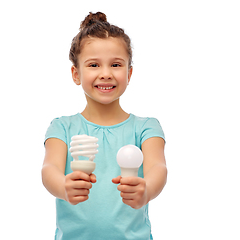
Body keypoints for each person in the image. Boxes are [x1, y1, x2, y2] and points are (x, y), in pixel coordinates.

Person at [42, 12, 167, 240]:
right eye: (94, 65)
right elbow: (49, 169)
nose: (106, 74)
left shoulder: (146, 128)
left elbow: (158, 168)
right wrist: (63, 187)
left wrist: (146, 189)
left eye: (116, 64)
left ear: (129, 73)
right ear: (76, 74)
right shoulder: (62, 128)